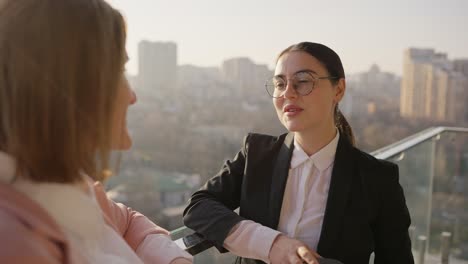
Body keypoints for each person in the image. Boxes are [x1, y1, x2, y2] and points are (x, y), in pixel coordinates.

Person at [183, 42, 414, 264]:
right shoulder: (256, 153)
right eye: (280, 84)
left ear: (339, 89)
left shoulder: (377, 179)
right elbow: (199, 207)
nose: (288, 94)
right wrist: (272, 244)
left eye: (303, 81)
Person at [0, 0, 192, 263]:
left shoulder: (69, 187)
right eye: (120, 71)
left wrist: (173, 259)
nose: (132, 95)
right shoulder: (16, 244)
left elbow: (128, 222)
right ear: (71, 88)